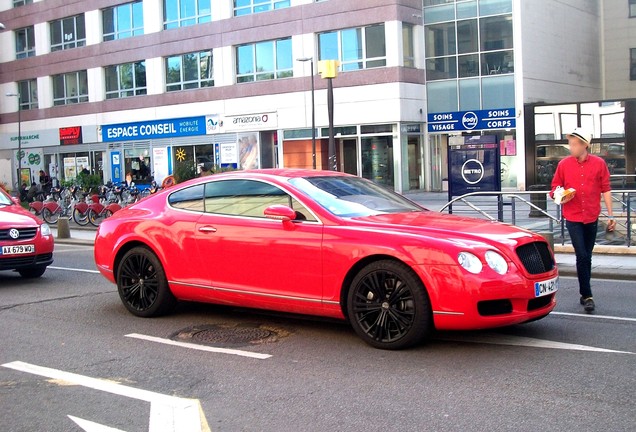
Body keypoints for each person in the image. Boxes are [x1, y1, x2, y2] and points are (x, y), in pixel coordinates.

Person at [550, 127, 616, 313]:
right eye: (570, 144)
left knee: (587, 256)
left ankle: (584, 292)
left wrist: (611, 216)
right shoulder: (564, 164)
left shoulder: (599, 163)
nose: (570, 147)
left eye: (573, 144)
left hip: (591, 216)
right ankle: (587, 295)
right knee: (582, 255)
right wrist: (560, 195)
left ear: (584, 145)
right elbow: (554, 188)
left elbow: (606, 189)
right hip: (573, 216)